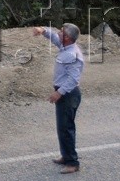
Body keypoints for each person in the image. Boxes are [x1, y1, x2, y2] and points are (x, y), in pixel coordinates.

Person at [31, 23, 85, 173]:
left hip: (68, 94)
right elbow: (54, 38)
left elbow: (73, 79)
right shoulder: (65, 46)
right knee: (62, 127)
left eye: (62, 32)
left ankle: (73, 163)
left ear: (67, 38)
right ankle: (66, 156)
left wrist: (59, 92)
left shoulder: (71, 54)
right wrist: (43, 31)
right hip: (65, 93)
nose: (58, 33)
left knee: (66, 128)